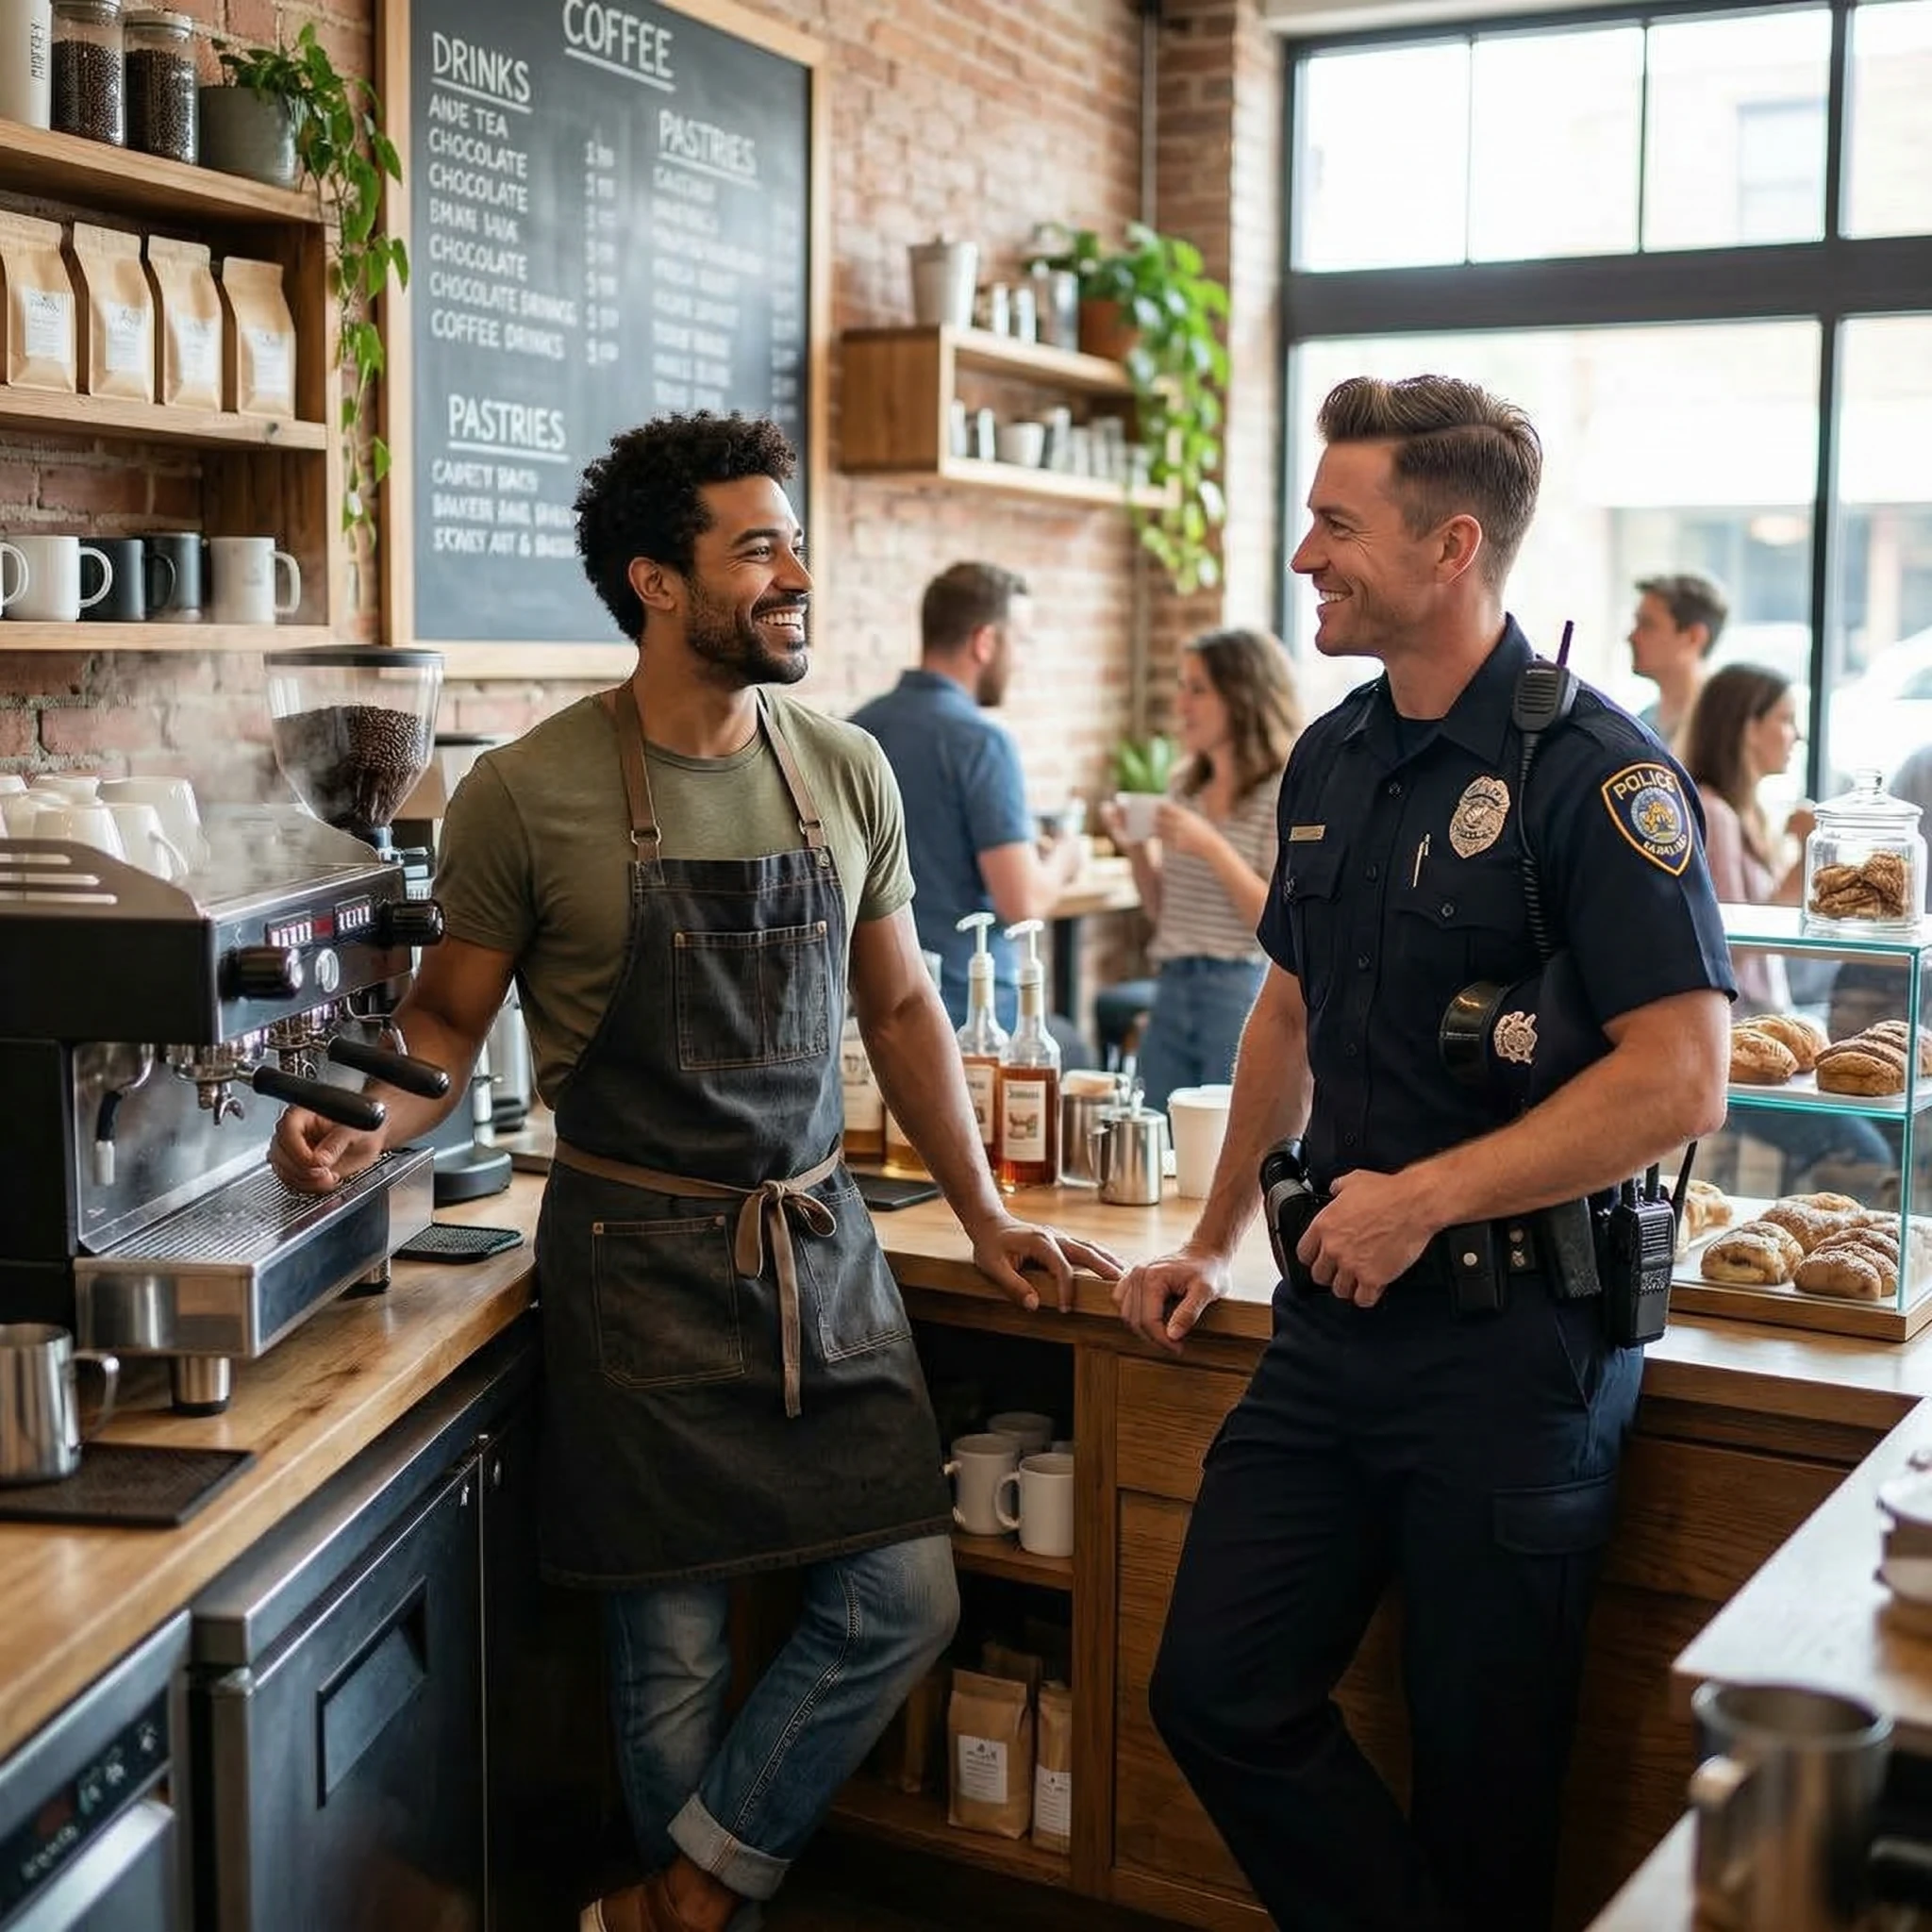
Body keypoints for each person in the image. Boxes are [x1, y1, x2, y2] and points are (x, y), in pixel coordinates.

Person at [267, 413, 1122, 1932]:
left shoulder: (846, 770)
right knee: (668, 1654)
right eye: (760, 548)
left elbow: (905, 1006)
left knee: (903, 1600)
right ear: (658, 582)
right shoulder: (530, 793)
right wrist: (357, 1124)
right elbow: (447, 1027)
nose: (798, 573)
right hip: (637, 1269)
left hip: (820, 1247)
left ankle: (682, 1901)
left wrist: (987, 1212)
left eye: (795, 542)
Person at [1114, 375, 1733, 1931]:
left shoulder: (1598, 770)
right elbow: (1288, 1008)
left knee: (1487, 1786)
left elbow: (1681, 1077)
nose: (1306, 554)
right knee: (1212, 1688)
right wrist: (1205, 1236)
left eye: (1335, 522)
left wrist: (1428, 1197)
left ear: (1450, 542)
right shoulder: (1326, 761)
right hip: (1331, 1339)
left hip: (1515, 1352)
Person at [850, 562, 1085, 1033]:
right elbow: (1023, 900)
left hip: (870, 1005)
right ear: (984, 641)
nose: (1020, 658)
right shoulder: (980, 742)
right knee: (1070, 1044)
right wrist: (1065, 855)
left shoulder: (858, 728)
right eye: (1018, 640)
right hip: (971, 1010)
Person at [1098, 627, 1300, 1112]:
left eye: (1197, 689)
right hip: (1173, 985)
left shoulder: (1282, 792)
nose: (1181, 703)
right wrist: (1137, 851)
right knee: (1163, 1134)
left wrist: (1210, 845)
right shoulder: (1183, 787)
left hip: (1240, 990)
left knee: (1228, 1139)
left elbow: (1277, 923)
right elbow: (1163, 910)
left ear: (1241, 695)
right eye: (1181, 687)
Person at [1680, 663, 1811, 1006]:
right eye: (1785, 719)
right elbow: (1730, 941)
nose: (1797, 735)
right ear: (1749, 728)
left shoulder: (1747, 813)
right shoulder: (1715, 814)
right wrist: (1809, 855)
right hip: (1743, 1022)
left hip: (1760, 1015)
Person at [1628, 569, 1728, 745]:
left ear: (1694, 637)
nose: (1631, 637)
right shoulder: (1639, 726)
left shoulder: (1728, 728)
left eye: (1648, 625)